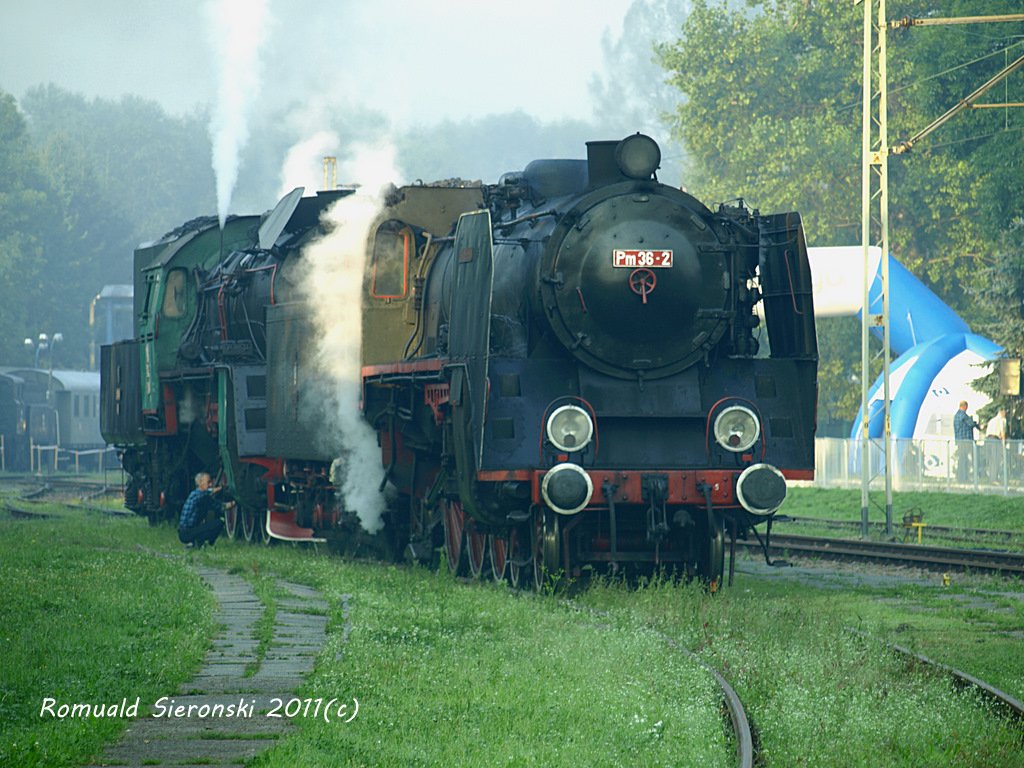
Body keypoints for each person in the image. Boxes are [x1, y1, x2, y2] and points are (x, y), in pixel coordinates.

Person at [178, 472, 224, 547]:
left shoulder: (204, 497)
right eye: (208, 482)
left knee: (216, 523)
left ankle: (197, 543)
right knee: (218, 523)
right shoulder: (196, 495)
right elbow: (203, 494)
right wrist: (218, 489)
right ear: (200, 483)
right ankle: (201, 543)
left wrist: (234, 503)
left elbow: (220, 506)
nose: (210, 485)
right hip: (186, 532)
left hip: (190, 530)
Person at [953, 401, 979, 484]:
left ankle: (960, 477)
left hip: (959, 440)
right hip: (965, 440)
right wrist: (977, 424)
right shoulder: (963, 415)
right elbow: (970, 423)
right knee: (964, 460)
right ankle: (963, 478)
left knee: (961, 459)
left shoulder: (956, 415)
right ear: (965, 406)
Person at [984, 408, 1008, 482]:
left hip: (987, 440)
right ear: (1002, 412)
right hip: (995, 440)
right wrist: (1003, 443)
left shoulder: (992, 420)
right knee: (996, 459)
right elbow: (1002, 431)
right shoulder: (1001, 420)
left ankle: (991, 477)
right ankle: (994, 479)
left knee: (991, 459)